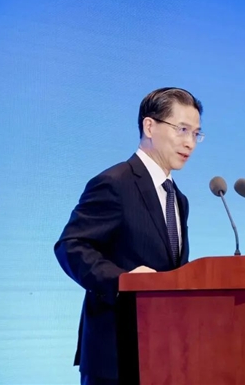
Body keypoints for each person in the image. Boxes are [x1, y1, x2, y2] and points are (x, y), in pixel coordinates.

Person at [54, 87, 204, 385]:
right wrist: (123, 281)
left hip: (165, 352)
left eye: (196, 134)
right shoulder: (115, 182)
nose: (190, 142)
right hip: (116, 354)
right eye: (182, 129)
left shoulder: (178, 199)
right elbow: (71, 246)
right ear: (149, 126)